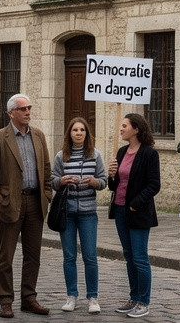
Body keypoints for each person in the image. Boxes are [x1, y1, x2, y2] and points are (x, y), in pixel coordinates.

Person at [0, 93, 53, 318]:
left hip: (35, 202)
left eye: (29, 108)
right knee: (6, 255)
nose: (28, 112)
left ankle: (29, 297)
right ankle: (5, 300)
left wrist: (47, 194)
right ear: (10, 113)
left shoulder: (39, 136)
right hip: (10, 203)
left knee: (33, 255)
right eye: (23, 109)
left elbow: (46, 168)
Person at [106, 113, 160, 319]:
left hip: (137, 212)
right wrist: (111, 175)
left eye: (124, 126)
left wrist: (136, 204)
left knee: (139, 257)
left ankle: (144, 301)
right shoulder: (121, 152)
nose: (121, 129)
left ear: (136, 129)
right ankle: (134, 297)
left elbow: (154, 185)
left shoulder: (148, 154)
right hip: (119, 210)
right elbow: (114, 186)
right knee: (128, 256)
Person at [51, 116, 107, 314]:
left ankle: (92, 297)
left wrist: (94, 182)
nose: (79, 133)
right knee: (69, 256)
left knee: (90, 256)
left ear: (86, 133)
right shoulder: (61, 156)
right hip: (67, 213)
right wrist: (62, 180)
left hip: (88, 213)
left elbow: (103, 180)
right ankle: (71, 296)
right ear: (70, 133)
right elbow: (53, 180)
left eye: (82, 130)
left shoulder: (95, 155)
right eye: (75, 130)